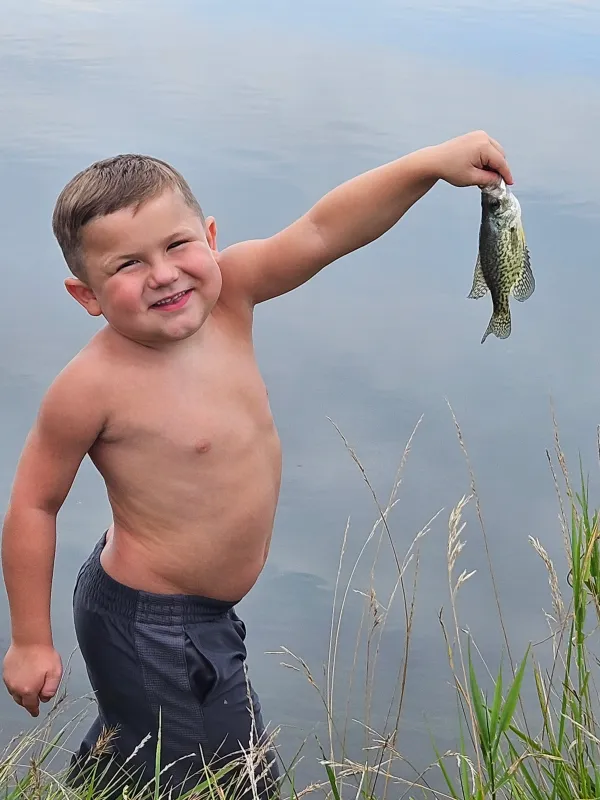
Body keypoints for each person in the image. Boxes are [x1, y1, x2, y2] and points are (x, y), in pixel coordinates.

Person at [1, 130, 513, 796]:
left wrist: (429, 166)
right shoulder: (91, 386)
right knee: (233, 780)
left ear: (210, 237)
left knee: (152, 749)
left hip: (188, 619)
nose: (163, 273)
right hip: (157, 624)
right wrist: (30, 640)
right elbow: (34, 503)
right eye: (126, 265)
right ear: (87, 295)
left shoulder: (233, 294)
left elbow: (326, 230)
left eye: (178, 244)